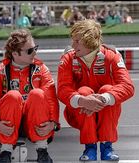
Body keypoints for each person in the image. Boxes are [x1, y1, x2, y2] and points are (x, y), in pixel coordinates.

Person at [57, 19, 134, 161]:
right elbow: (62, 89)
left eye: (77, 41)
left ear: (89, 41)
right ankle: (90, 146)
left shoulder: (111, 55)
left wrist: (104, 99)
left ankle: (107, 147)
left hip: (106, 112)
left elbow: (128, 86)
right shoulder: (68, 58)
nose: (72, 45)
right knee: (84, 91)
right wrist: (83, 100)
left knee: (108, 89)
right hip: (77, 114)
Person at [0, 29, 60, 163]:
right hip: (8, 124)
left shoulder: (41, 69)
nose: (35, 52)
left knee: (38, 94)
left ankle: (42, 150)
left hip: (34, 123)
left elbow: (51, 99)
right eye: (30, 50)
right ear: (15, 53)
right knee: (13, 95)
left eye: (35, 48)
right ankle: (6, 151)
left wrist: (53, 123)